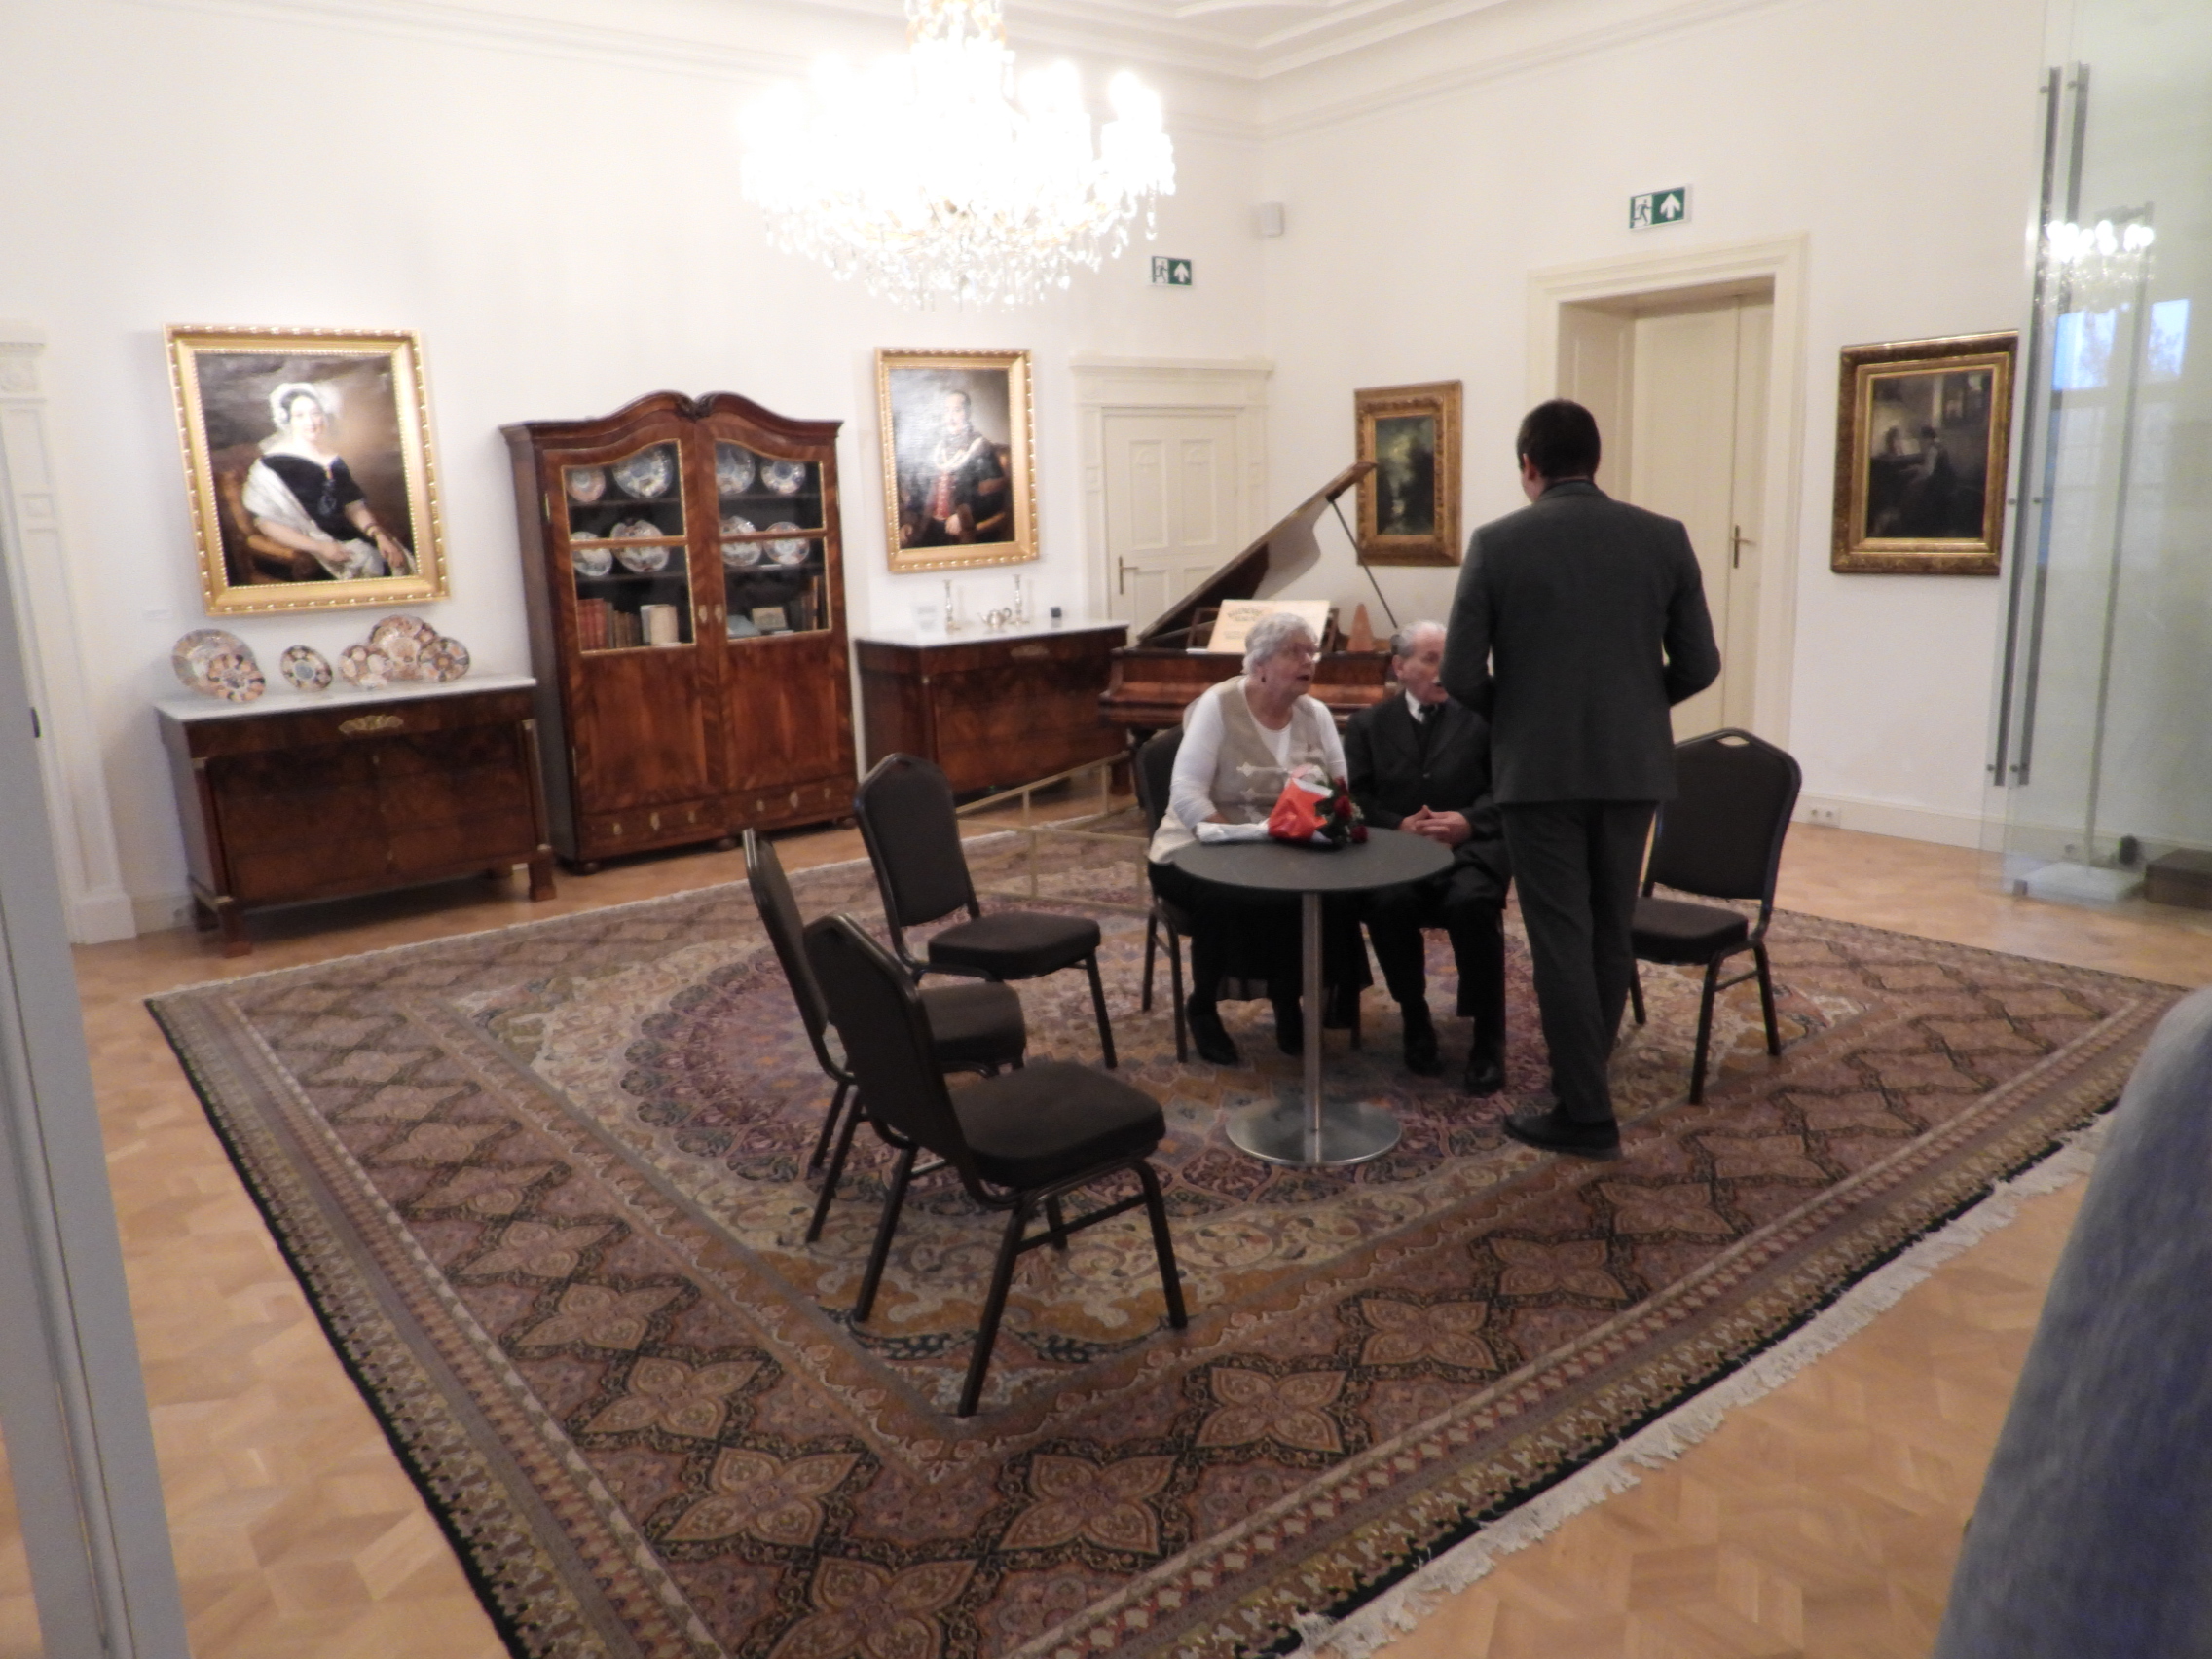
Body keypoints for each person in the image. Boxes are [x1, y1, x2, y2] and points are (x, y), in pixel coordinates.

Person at [1442, 399, 1719, 1159]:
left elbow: (1459, 673)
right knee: (1608, 926)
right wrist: (1635, 707)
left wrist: (1518, 716)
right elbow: (1700, 664)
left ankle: (1587, 1114)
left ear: (1528, 465)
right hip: (1632, 768)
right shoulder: (1663, 537)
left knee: (1560, 936)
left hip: (1539, 773)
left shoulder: (1497, 543)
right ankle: (1582, 1085)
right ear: (1595, 460)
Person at [1147, 611, 1372, 1066]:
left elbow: (1339, 791)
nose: (1308, 661)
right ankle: (1203, 1006)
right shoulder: (1219, 704)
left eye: (1311, 652)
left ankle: (1290, 1000)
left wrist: (1319, 827)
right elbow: (1186, 794)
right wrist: (1237, 844)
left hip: (1285, 847)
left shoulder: (1316, 714)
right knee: (1232, 894)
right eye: (1294, 651)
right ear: (1260, 663)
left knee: (1328, 893)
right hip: (1196, 846)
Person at [1346, 620, 1511, 1092]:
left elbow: (1507, 788)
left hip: (1470, 849)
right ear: (1400, 667)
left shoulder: (1485, 717)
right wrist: (1397, 825)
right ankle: (1414, 1016)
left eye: (1449, 660)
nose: (1444, 671)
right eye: (1431, 659)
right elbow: (1355, 797)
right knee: (1387, 902)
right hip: (1397, 853)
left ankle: (1487, 1036)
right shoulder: (1367, 724)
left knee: (1471, 903)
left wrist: (1467, 822)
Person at [240, 382, 414, 580]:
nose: (311, 422)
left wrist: (379, 535)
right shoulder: (270, 467)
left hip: (351, 537)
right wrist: (319, 547)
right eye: (299, 415)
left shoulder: (333, 459)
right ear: (287, 420)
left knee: (397, 563)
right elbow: (267, 523)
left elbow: (353, 506)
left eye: (315, 413)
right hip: (310, 551)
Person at [899, 389, 1010, 547]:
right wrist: (909, 522)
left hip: (959, 531)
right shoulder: (936, 447)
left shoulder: (981, 448)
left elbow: (994, 497)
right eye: (947, 411)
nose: (951, 418)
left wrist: (962, 516)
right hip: (928, 525)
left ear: (968, 413)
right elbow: (920, 491)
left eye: (957, 411)